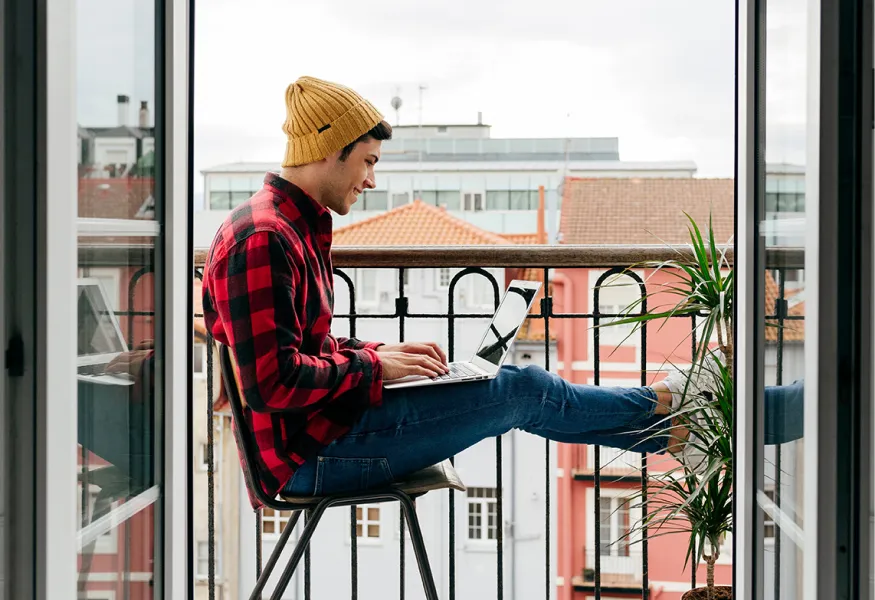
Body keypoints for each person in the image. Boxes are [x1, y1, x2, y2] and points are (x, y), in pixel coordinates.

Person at [201, 76, 802, 504]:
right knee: (519, 390)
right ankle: (690, 411)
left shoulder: (289, 225)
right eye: (367, 160)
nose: (371, 179)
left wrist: (379, 357)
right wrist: (373, 368)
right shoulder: (265, 238)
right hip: (315, 457)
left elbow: (304, 345)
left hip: (329, 430)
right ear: (330, 151)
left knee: (519, 391)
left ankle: (689, 424)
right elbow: (271, 383)